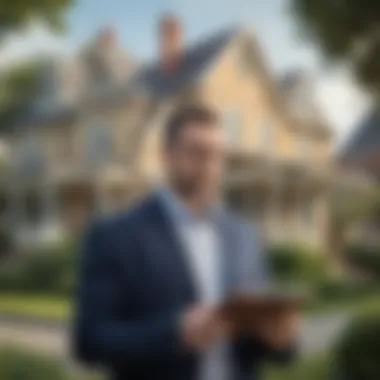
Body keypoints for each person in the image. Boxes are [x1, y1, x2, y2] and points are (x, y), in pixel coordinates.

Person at [74, 104, 299, 380]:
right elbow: (88, 342)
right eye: (197, 152)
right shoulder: (115, 236)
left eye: (218, 155)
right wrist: (173, 332)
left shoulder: (245, 237)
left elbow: (270, 344)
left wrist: (281, 341)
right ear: (167, 155)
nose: (210, 165)